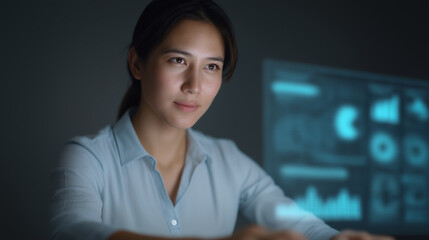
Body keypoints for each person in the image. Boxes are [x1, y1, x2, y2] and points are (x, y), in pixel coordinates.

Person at [49, 0, 394, 240]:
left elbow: (292, 218)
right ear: (137, 63)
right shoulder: (89, 157)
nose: (194, 86)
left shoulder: (230, 161)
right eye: (178, 61)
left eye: (211, 67)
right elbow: (71, 230)